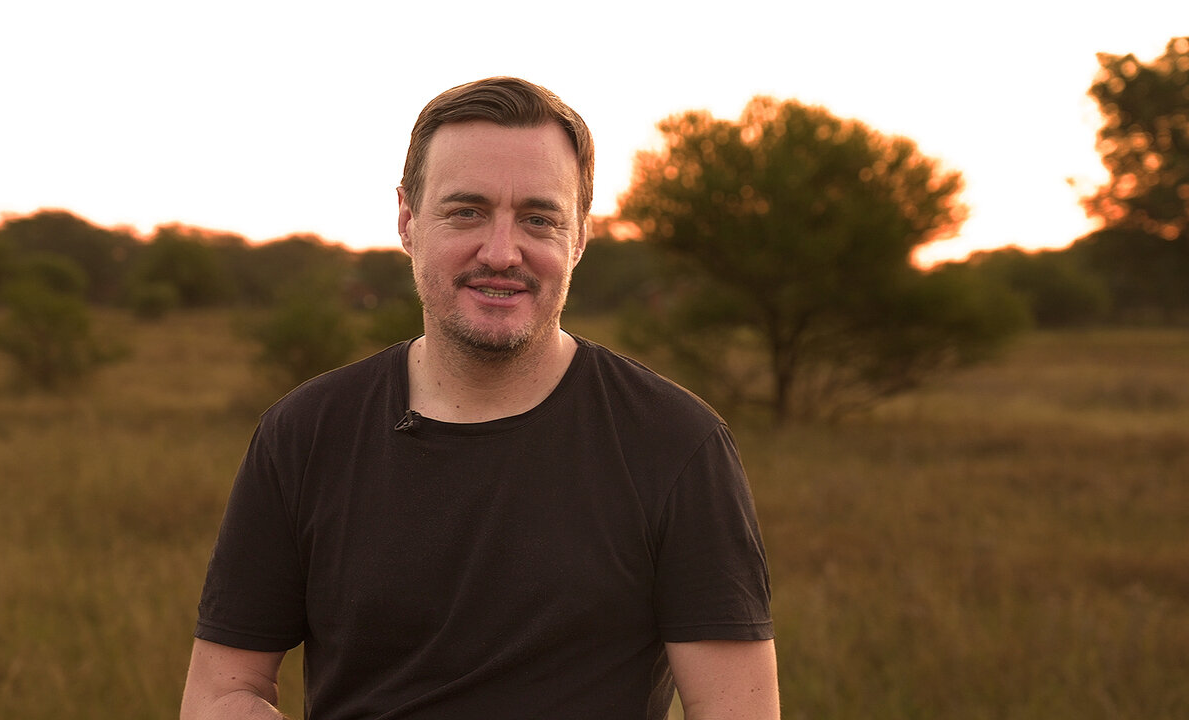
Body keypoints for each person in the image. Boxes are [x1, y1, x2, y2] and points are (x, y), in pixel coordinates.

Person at [180, 76, 778, 720]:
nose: (501, 253)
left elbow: (736, 711)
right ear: (408, 220)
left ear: (578, 236)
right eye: (466, 211)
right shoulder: (304, 433)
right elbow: (221, 692)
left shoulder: (676, 444)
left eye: (539, 219)